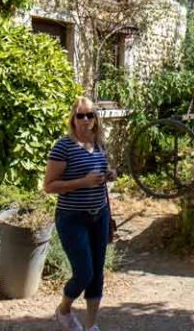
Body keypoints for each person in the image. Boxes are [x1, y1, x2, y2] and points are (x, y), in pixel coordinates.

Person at [44, 96, 115, 331]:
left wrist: (108, 175)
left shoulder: (99, 144)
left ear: (96, 119)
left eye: (90, 115)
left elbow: (101, 173)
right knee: (84, 272)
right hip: (72, 218)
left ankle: (91, 325)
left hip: (100, 215)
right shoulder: (63, 146)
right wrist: (83, 182)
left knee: (97, 273)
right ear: (73, 119)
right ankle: (64, 310)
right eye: (80, 115)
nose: (85, 120)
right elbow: (49, 186)